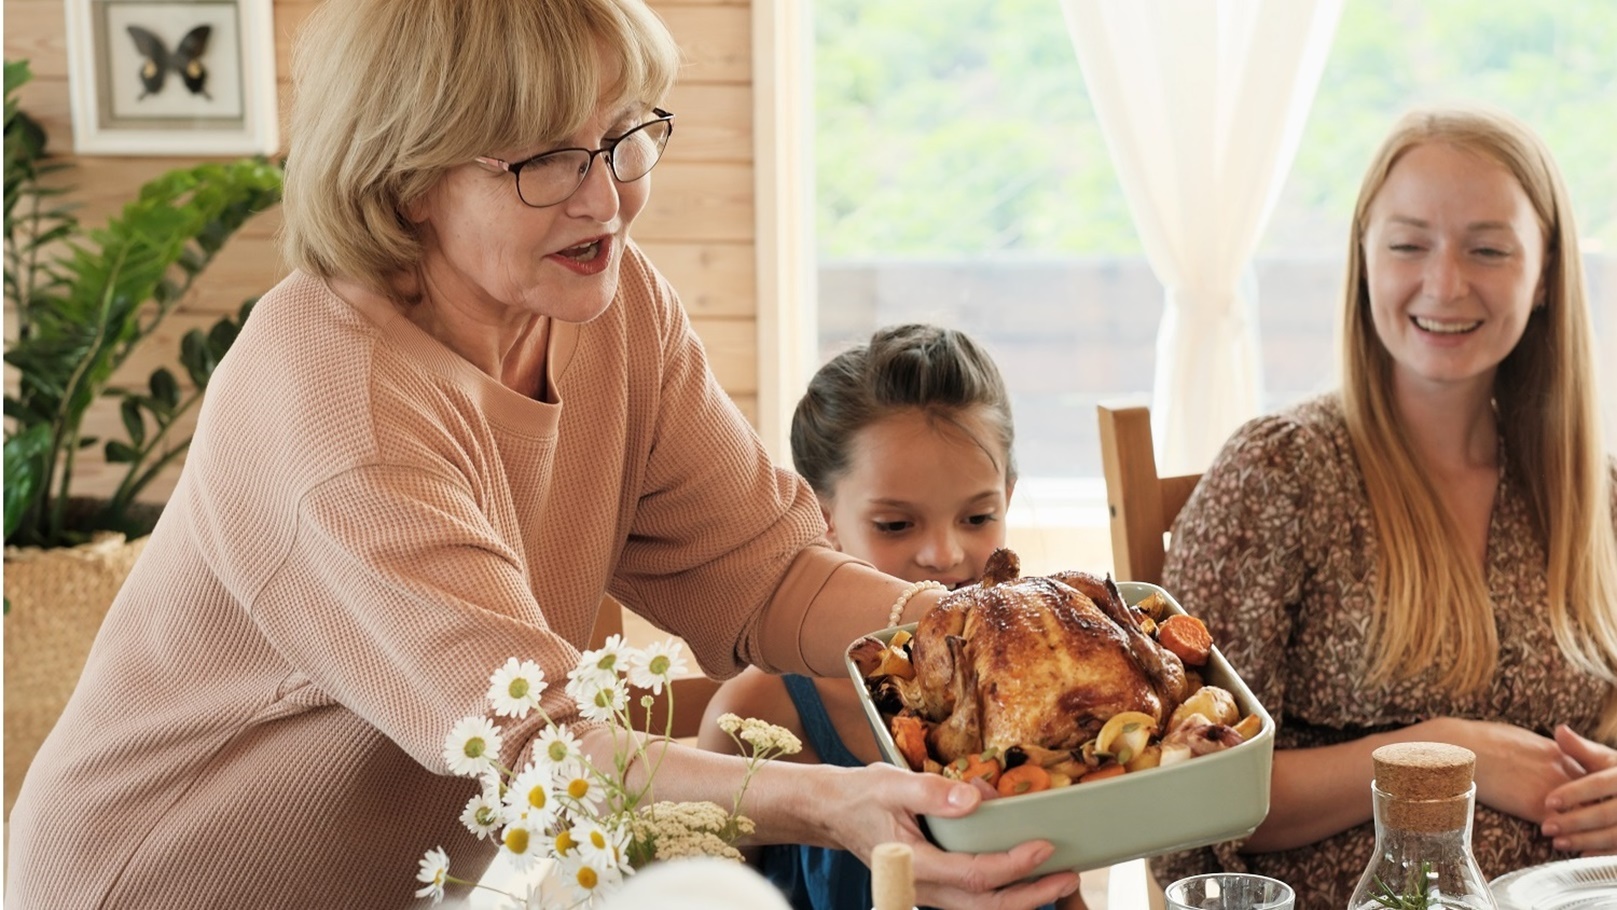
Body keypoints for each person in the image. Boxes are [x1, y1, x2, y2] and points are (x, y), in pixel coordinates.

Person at [2, 2, 1084, 908]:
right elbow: (542, 751)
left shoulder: (609, 305)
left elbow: (766, 569)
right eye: (550, 157)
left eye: (623, 135)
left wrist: (999, 634)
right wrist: (835, 804)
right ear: (407, 174)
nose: (606, 196)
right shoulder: (337, 408)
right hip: (149, 880)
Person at [1152, 105, 1617, 906]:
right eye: (1407, 245)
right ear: (1364, 258)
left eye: (1487, 249)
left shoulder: (1592, 493)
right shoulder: (1279, 474)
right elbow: (1184, 796)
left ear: (1543, 274)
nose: (1443, 283)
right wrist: (1440, 751)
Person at [702, 324, 1096, 910]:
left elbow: (1062, 893)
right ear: (822, 515)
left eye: (978, 517)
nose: (944, 555)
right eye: (895, 525)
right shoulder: (757, 717)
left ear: (1008, 499)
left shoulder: (1042, 694)